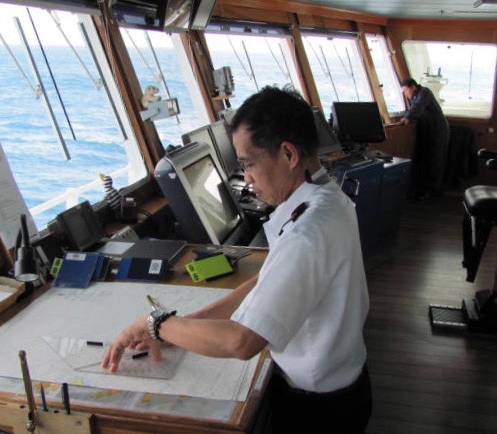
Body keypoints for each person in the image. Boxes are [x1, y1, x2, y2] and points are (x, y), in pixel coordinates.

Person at [102, 85, 372, 433]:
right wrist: (185, 326)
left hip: (319, 411)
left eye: (248, 163)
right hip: (344, 386)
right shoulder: (325, 197)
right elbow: (264, 282)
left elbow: (241, 342)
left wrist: (154, 324)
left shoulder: (307, 233)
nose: (247, 178)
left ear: (288, 154)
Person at [400, 77, 450, 199]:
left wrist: (407, 117)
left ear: (413, 87)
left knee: (435, 159)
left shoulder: (424, 92)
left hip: (438, 130)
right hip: (429, 129)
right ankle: (424, 190)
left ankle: (433, 192)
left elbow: (418, 106)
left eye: (406, 91)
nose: (405, 94)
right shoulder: (415, 97)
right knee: (427, 159)